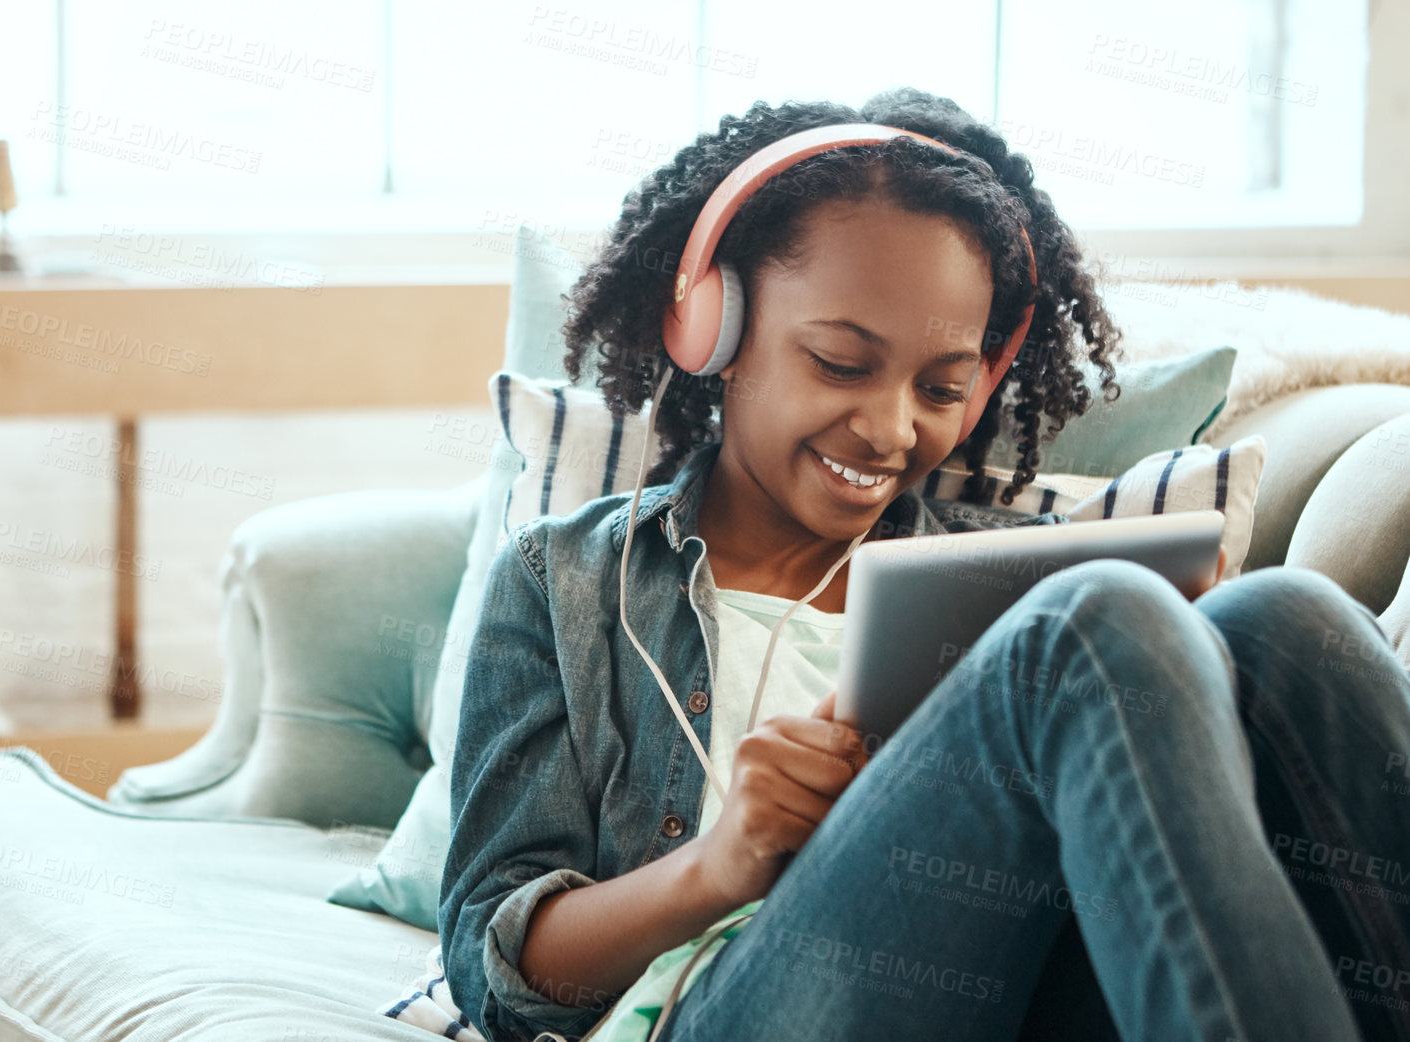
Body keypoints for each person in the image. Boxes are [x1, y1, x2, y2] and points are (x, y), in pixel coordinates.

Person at [438, 89, 1410, 1042]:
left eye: (941, 386)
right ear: (716, 328)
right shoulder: (563, 581)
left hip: (1017, 993)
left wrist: (1187, 677)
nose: (892, 427)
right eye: (841, 362)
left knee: (1287, 617)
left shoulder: (1001, 582)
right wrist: (723, 860)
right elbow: (499, 972)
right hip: (716, 1008)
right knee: (1093, 616)